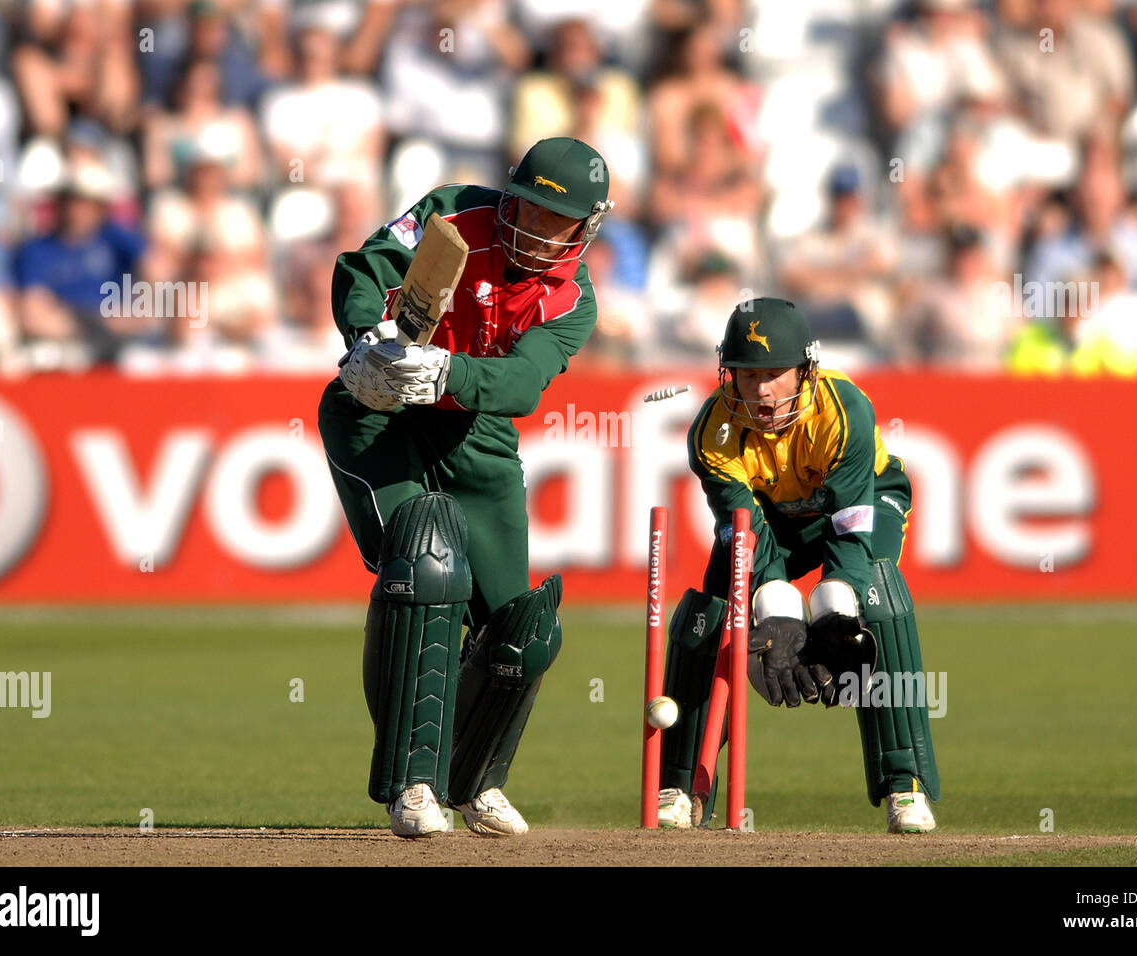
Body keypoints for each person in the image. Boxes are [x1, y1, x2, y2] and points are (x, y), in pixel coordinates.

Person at [318, 137, 613, 838]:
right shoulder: (452, 216)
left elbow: (519, 383)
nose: (535, 228)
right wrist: (365, 340)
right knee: (423, 573)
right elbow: (364, 270)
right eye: (528, 208)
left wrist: (447, 374)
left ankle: (475, 780)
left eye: (555, 220)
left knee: (522, 628)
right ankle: (412, 783)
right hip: (376, 412)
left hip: (472, 429)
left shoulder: (570, 300)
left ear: (585, 228)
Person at [658, 297, 941, 833]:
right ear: (727, 373)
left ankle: (905, 788)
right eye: (746, 375)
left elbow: (850, 526)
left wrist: (834, 608)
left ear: (805, 370)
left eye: (773, 374)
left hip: (864, 502)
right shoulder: (711, 435)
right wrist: (778, 608)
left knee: (876, 604)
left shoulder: (844, 409)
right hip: (771, 524)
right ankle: (683, 786)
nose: (760, 390)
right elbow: (746, 533)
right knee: (712, 618)